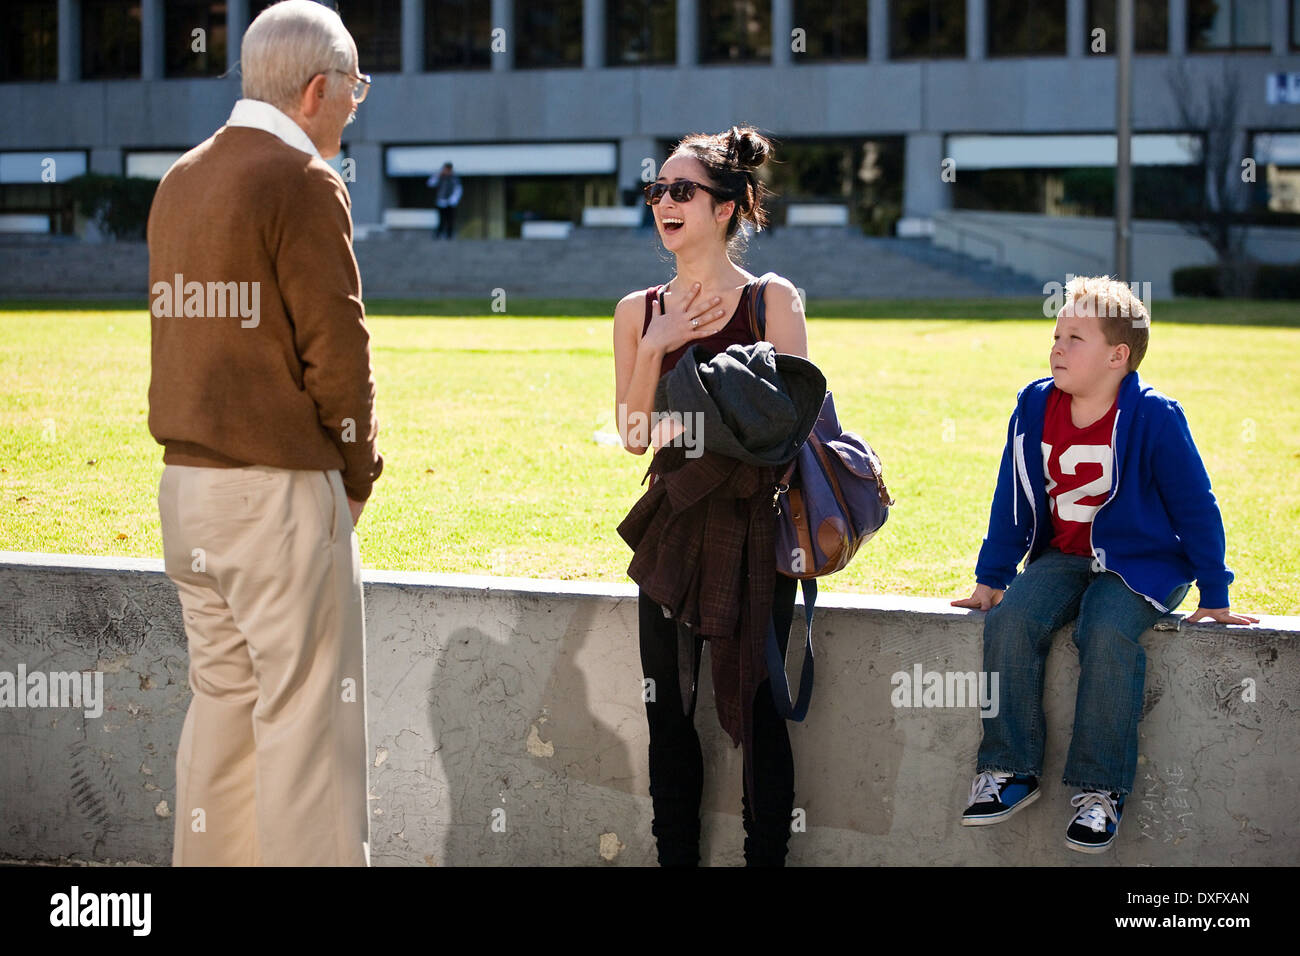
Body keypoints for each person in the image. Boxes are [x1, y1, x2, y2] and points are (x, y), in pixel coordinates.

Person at [146, 0, 382, 866]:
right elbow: (338, 349)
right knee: (308, 729)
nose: (358, 102)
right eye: (356, 86)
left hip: (187, 490)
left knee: (223, 717)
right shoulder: (303, 180)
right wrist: (358, 473)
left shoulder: (181, 176)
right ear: (318, 88)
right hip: (277, 490)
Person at [952, 276, 1257, 853]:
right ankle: (1010, 769)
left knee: (1107, 628)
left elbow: (1197, 507)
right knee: (1013, 620)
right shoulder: (1034, 405)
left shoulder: (1155, 417)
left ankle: (1100, 791)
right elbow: (1011, 496)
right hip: (1063, 555)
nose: (1057, 348)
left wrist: (1215, 591)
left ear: (1119, 356)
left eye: (1075, 337)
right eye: (1056, 335)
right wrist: (992, 577)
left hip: (1141, 565)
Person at [612, 126, 811, 866]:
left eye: (682, 190)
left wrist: (699, 403)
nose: (664, 201)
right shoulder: (638, 309)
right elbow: (635, 433)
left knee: (760, 707)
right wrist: (660, 343)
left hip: (755, 523)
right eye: (656, 190)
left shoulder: (771, 301)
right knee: (669, 707)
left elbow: (788, 425)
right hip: (673, 520)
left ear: (727, 207)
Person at [427, 162, 462, 238]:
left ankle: (449, 235)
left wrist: (453, 200)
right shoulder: (439, 177)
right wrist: (438, 175)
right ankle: (438, 234)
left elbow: (458, 190)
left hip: (451, 202)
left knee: (450, 219)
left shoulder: (454, 178)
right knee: (441, 219)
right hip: (441, 202)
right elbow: (430, 183)